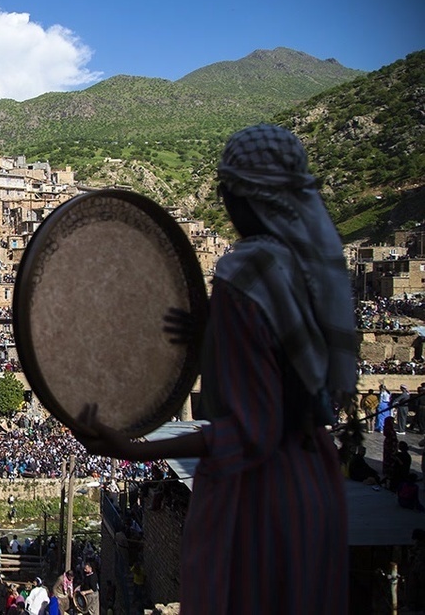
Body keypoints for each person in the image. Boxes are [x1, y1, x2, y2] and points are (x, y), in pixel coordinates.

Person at [75, 125, 356, 614]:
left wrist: (136, 449)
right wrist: (212, 341)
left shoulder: (244, 273)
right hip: (314, 486)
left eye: (225, 188)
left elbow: (252, 433)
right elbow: (288, 382)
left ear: (236, 193)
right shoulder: (308, 269)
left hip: (257, 502)